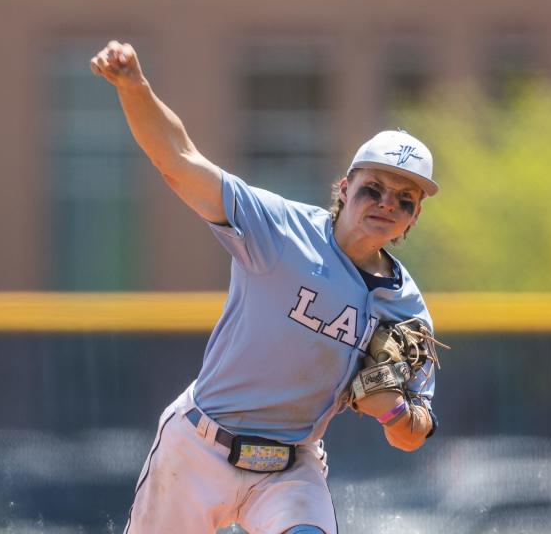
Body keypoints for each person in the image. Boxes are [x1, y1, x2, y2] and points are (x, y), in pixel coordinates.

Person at [91, 41, 442, 534]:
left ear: (415, 216)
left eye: (405, 198)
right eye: (373, 188)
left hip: (291, 467)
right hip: (197, 448)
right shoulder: (279, 230)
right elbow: (179, 160)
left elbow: (412, 435)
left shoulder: (405, 308)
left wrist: (396, 412)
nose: (387, 203)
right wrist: (135, 87)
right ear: (345, 188)